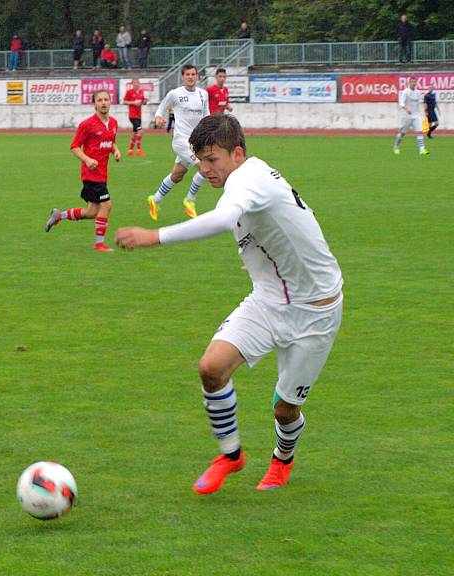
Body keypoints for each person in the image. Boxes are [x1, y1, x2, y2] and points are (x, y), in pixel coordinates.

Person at [115, 114, 344, 495]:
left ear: (237, 153)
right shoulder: (248, 177)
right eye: (200, 161)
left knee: (285, 410)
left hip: (315, 312)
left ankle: (281, 460)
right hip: (269, 300)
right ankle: (231, 455)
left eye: (212, 160)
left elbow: (223, 220)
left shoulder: (247, 179)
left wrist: (154, 236)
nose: (204, 171)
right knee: (211, 368)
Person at [44, 90, 120, 252]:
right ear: (94, 104)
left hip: (102, 173)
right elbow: (74, 147)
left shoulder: (113, 123)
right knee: (106, 205)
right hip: (91, 174)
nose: (103, 103)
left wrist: (116, 151)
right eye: (100, 100)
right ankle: (99, 244)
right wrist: (87, 159)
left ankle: (59, 215)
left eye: (106, 99)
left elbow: (110, 142)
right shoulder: (87, 125)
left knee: (92, 211)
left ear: (110, 102)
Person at [147, 64, 210, 221]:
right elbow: (161, 108)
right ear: (182, 77)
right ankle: (190, 199)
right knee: (205, 167)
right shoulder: (174, 94)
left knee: (177, 175)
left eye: (193, 74)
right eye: (187, 74)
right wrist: (158, 117)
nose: (190, 77)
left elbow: (206, 115)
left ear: (197, 77)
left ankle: (155, 200)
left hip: (197, 142)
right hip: (181, 141)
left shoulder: (203, 94)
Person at [393, 77, 428, 155]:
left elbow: (422, 99)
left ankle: (422, 149)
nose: (413, 83)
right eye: (412, 82)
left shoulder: (418, 92)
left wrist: (425, 110)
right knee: (402, 133)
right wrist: (406, 109)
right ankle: (396, 146)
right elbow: (401, 102)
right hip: (407, 116)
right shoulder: (405, 92)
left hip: (416, 116)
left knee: (420, 132)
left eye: (414, 82)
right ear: (409, 83)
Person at [123, 79, 148, 156]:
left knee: (135, 133)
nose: (136, 84)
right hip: (132, 116)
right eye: (135, 83)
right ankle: (138, 150)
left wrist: (144, 102)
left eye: (138, 83)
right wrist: (133, 102)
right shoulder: (129, 92)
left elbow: (143, 102)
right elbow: (124, 101)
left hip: (139, 115)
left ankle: (130, 150)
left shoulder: (141, 92)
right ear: (132, 84)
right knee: (140, 131)